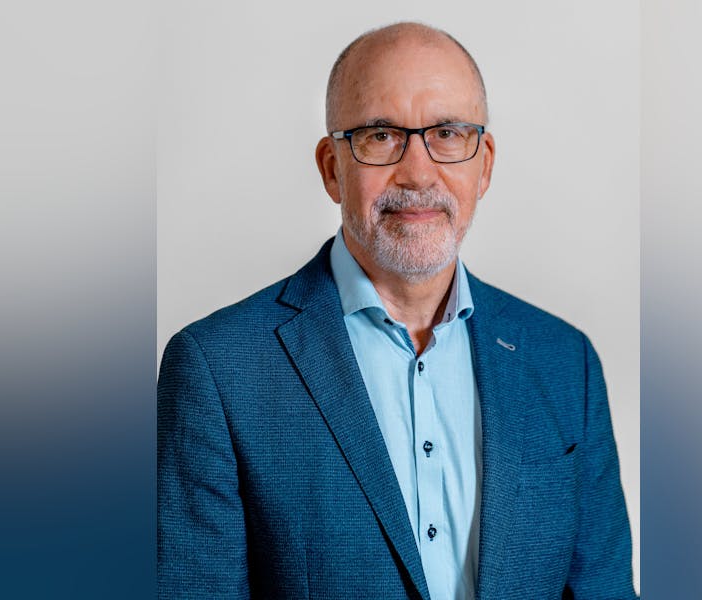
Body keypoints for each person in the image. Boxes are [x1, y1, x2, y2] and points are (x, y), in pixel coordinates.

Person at [158, 22, 637, 600]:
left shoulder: (565, 364)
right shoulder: (218, 370)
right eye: (381, 135)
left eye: (448, 133)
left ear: (483, 164)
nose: (417, 172)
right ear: (333, 168)